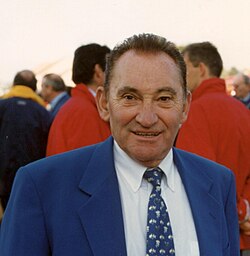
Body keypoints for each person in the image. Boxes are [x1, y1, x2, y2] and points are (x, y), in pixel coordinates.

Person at [0, 34, 240, 255]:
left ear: (185, 106)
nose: (147, 118)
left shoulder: (218, 183)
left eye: (164, 98)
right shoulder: (41, 187)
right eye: (129, 98)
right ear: (104, 103)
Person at [175, 42, 250, 253]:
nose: (181, 75)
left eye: (185, 67)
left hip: (213, 236)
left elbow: (198, 180)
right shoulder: (243, 111)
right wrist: (244, 211)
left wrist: (238, 212)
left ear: (201, 69)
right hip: (241, 232)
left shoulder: (196, 112)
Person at [46, 43, 111, 156]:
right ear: (98, 72)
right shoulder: (84, 111)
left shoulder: (81, 105)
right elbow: (91, 165)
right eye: (110, 69)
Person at [0, 70, 51, 211]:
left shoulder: (2, 105)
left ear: (14, 84)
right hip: (32, 176)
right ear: (34, 88)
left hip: (3, 177)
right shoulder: (43, 112)